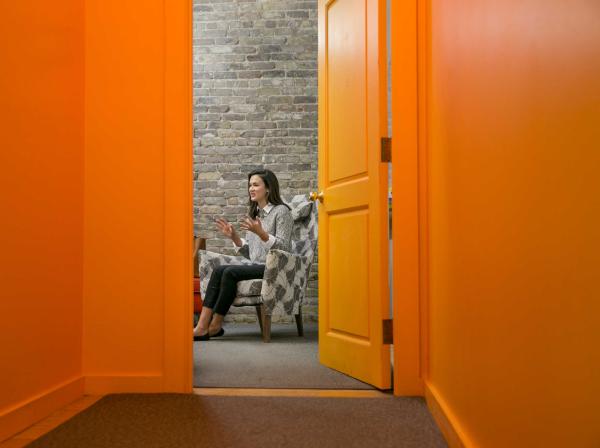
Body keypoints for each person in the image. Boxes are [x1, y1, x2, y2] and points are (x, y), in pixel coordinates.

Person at [193, 169, 293, 341]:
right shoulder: (254, 215)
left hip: (275, 268)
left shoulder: (281, 211)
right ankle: (205, 326)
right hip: (258, 265)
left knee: (230, 272)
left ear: (268, 188)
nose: (251, 189)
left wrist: (262, 233)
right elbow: (251, 253)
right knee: (219, 270)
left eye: (255, 185)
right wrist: (234, 237)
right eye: (249, 185)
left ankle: (213, 326)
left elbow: (284, 248)